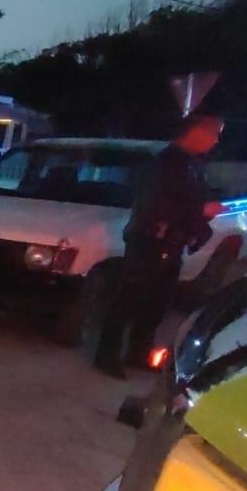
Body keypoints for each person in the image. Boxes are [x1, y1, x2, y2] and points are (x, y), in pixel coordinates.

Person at [94, 114, 225, 379]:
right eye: (214, 134)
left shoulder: (192, 165)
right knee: (129, 300)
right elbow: (156, 204)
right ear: (197, 132)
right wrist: (200, 211)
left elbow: (192, 199)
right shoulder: (165, 164)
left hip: (172, 244)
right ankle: (106, 356)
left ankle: (137, 353)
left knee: (156, 304)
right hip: (149, 241)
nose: (215, 141)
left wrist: (198, 224)